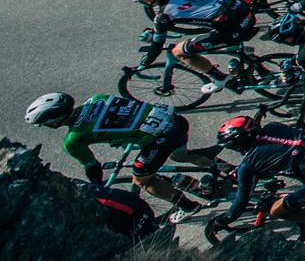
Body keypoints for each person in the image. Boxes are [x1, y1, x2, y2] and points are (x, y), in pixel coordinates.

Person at [26, 91, 209, 213]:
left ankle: (188, 207)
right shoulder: (97, 98)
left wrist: (98, 187)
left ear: (54, 119)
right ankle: (223, 169)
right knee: (179, 156)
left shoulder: (73, 140)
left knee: (142, 180)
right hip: (175, 121)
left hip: (161, 137)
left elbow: (92, 167)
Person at [212, 115, 305, 231]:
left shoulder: (248, 165)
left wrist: (224, 219)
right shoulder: (273, 126)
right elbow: (283, 154)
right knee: (301, 169)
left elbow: (241, 202)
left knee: (276, 211)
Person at [127, 0, 254, 95]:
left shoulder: (164, 15)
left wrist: (145, 62)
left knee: (180, 52)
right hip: (245, 11)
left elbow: (157, 45)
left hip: (235, 28)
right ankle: (246, 62)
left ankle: (221, 78)